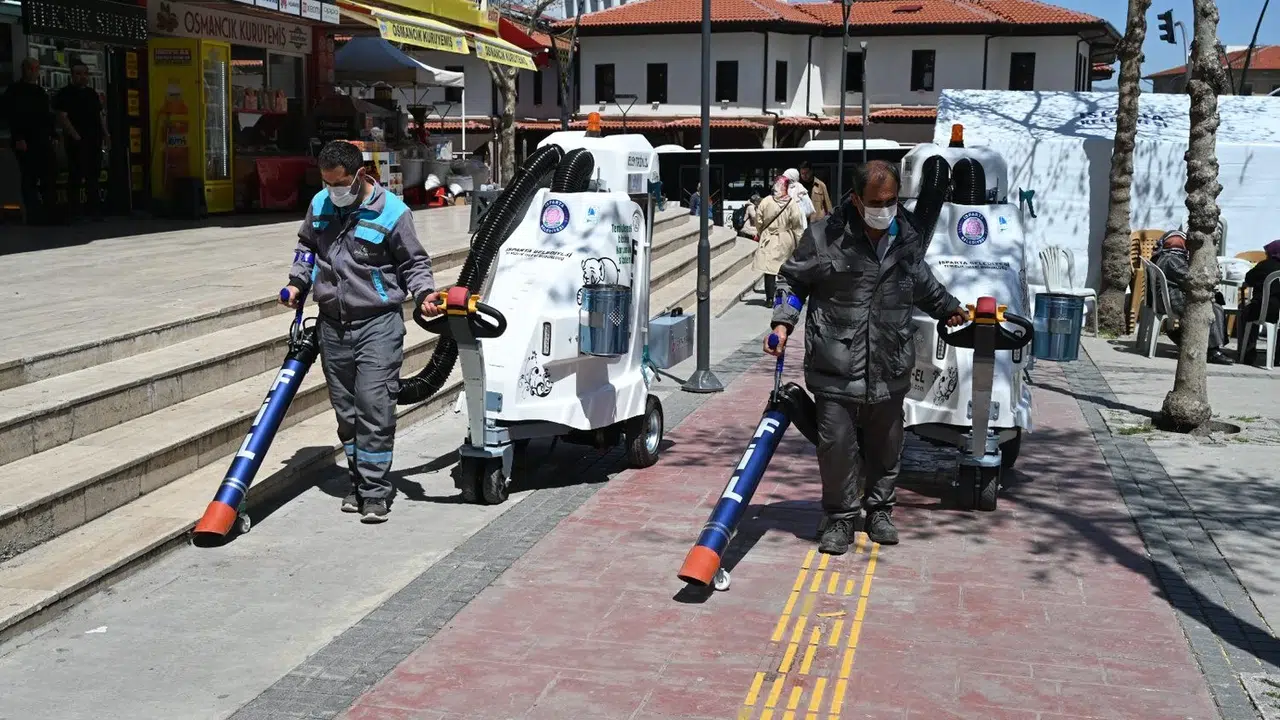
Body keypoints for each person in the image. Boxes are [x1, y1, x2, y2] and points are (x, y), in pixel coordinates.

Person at [766, 160, 967, 552]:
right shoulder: (826, 237)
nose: (886, 208)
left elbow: (920, 281)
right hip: (836, 361)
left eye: (892, 200)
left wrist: (950, 308)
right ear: (857, 200)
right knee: (836, 447)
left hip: (890, 361)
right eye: (877, 201)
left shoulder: (906, 234)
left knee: (886, 445)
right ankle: (840, 519)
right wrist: (782, 323)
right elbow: (792, 279)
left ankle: (879, 511)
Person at [282, 141, 440, 523]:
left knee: (374, 406)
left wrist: (424, 294)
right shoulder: (320, 205)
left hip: (377, 325)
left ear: (361, 176)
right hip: (332, 325)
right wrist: (297, 283)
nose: (332, 191)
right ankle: (359, 480)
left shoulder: (393, 212)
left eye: (339, 184)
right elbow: (307, 247)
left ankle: (374, 492)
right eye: (326, 183)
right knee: (348, 414)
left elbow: (414, 262)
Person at [1152, 233, 1234, 365]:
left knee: (1214, 306)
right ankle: (1213, 350)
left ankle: (1182, 336)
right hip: (1174, 300)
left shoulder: (1162, 256)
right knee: (1213, 309)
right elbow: (1190, 279)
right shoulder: (1173, 260)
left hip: (1163, 300)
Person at [54, 62, 110, 221]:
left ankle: (93, 209)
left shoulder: (92, 93)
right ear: (72, 75)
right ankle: (74, 210)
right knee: (76, 174)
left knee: (93, 175)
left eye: (84, 73)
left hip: (94, 139)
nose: (82, 77)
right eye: (78, 74)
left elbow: (100, 115)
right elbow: (62, 117)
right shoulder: (65, 94)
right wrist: (75, 135)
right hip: (76, 141)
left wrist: (106, 134)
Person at [3, 57, 57, 224]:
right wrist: (18, 137)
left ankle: (49, 212)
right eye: (30, 69)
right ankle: (34, 215)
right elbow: (12, 116)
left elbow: (46, 116)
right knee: (29, 177)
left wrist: (53, 134)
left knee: (48, 175)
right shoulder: (14, 91)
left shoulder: (40, 92)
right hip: (25, 140)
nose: (33, 72)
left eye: (35, 69)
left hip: (41, 139)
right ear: (23, 70)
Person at [752, 174, 807, 303]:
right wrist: (799, 241)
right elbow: (797, 224)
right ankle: (784, 296)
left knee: (769, 269)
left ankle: (769, 298)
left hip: (769, 238)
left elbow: (758, 220)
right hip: (786, 239)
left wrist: (762, 233)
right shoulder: (791, 202)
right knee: (785, 269)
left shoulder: (766, 201)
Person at [1241, 239, 1280, 362]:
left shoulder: (1265, 265)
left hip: (1263, 310)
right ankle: (1277, 356)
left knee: (1245, 311)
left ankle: (1248, 351)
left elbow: (1249, 279)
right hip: (1278, 311)